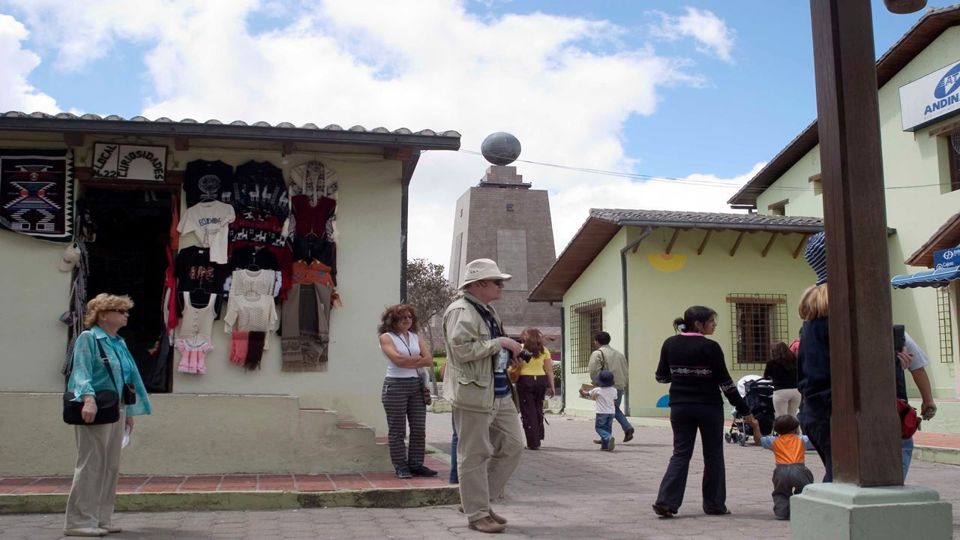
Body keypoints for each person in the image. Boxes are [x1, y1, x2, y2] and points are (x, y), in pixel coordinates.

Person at [443, 258, 524, 534]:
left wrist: (506, 352)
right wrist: (500, 343)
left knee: (514, 445)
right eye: (497, 282)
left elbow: (486, 348)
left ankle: (475, 501)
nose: (502, 287)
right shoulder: (460, 310)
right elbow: (462, 350)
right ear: (479, 284)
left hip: (498, 391)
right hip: (474, 393)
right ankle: (477, 511)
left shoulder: (486, 310)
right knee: (474, 454)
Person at [64, 293, 152, 537]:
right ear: (103, 315)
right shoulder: (89, 338)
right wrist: (88, 400)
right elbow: (81, 371)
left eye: (126, 311)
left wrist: (129, 411)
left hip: (117, 409)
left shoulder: (118, 342)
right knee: (91, 464)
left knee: (110, 466)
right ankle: (78, 521)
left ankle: (101, 518)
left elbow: (126, 378)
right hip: (95, 408)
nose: (125, 315)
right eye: (120, 311)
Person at [652, 306, 752, 518]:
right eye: (712, 321)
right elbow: (726, 384)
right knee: (713, 455)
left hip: (680, 407)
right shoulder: (711, 347)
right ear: (699, 324)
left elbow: (661, 377)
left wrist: (681, 375)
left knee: (680, 453)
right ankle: (715, 505)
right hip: (709, 407)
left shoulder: (670, 343)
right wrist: (745, 410)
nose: (715, 325)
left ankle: (666, 501)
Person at [378, 304, 437, 479]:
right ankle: (401, 466)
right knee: (397, 430)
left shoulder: (415, 337)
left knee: (419, 428)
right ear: (392, 320)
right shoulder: (386, 337)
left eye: (410, 317)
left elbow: (429, 360)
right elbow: (397, 360)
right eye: (403, 317)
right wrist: (418, 360)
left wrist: (410, 361)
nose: (407, 320)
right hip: (396, 385)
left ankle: (416, 464)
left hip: (416, 385)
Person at [796, 232, 833, 482]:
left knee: (838, 474)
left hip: (814, 410)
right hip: (832, 410)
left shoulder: (811, 321)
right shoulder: (833, 320)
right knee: (843, 477)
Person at [896, 330, 938, 479]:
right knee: (902, 449)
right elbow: (918, 368)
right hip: (895, 409)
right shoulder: (896, 333)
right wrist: (928, 401)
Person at [760, 415, 814, 520]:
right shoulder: (802, 439)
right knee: (804, 489)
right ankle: (801, 510)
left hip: (780, 470)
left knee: (781, 492)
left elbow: (759, 440)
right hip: (799, 469)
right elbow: (814, 439)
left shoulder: (773, 440)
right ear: (795, 429)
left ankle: (781, 513)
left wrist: (755, 426)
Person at [588, 332, 635, 443]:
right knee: (612, 410)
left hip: (605, 387)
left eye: (595, 341)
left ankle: (623, 429)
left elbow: (593, 370)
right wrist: (624, 384)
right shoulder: (619, 354)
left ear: (597, 341)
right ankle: (607, 437)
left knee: (607, 411)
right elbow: (625, 370)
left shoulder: (597, 353)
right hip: (619, 386)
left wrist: (595, 383)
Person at [516, 327, 555, 450]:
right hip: (541, 381)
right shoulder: (544, 350)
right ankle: (538, 437)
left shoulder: (520, 349)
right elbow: (549, 370)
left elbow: (514, 364)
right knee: (538, 410)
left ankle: (533, 442)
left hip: (525, 380)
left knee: (528, 411)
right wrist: (552, 386)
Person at [580, 370, 618, 451]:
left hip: (601, 412)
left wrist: (581, 391)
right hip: (611, 412)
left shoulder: (597, 390)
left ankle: (608, 437)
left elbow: (586, 394)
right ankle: (605, 446)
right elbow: (614, 401)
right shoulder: (614, 390)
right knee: (607, 428)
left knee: (599, 428)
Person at [764, 342, 801, 418]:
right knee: (793, 417)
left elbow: (766, 376)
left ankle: (784, 430)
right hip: (796, 391)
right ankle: (796, 430)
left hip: (780, 391)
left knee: (782, 418)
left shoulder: (771, 363)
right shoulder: (795, 360)